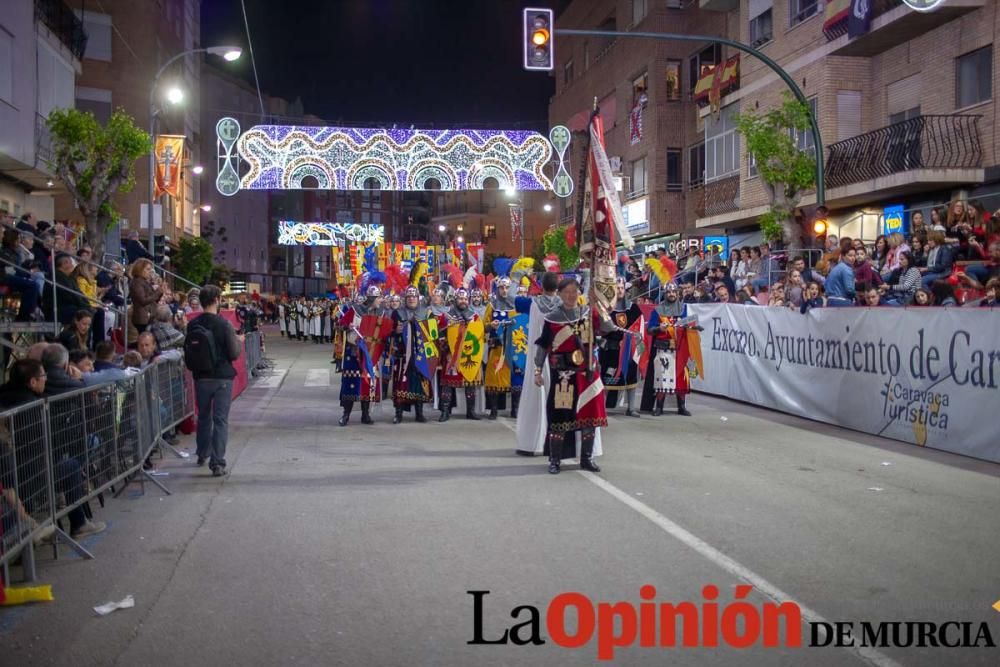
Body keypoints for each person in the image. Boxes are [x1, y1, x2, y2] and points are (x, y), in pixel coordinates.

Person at [532, 278, 607, 474]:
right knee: (559, 418)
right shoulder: (552, 318)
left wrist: (597, 305)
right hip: (564, 376)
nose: (571, 295)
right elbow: (543, 345)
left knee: (589, 417)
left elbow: (608, 328)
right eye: (566, 292)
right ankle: (555, 460)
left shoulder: (588, 314)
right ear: (559, 294)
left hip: (587, 374)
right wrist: (537, 371)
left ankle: (586, 458)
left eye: (574, 292)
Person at [188, 285, 243, 476]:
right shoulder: (224, 324)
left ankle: (202, 452)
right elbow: (233, 353)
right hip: (222, 377)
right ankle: (217, 462)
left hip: (201, 376)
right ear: (217, 300)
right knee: (220, 420)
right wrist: (238, 341)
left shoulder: (193, 324)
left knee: (203, 416)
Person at [338, 285, 389, 426]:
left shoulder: (381, 313)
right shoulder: (354, 310)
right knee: (350, 384)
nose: (381, 300)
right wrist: (346, 326)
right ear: (372, 298)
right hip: (354, 351)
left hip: (370, 353)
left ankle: (365, 414)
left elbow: (383, 333)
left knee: (368, 383)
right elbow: (340, 323)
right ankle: (346, 415)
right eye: (379, 298)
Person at [643, 285, 694, 416]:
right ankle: (659, 407)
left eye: (674, 292)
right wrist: (659, 328)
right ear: (665, 294)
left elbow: (688, 325)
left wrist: (692, 327)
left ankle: (681, 407)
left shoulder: (683, 309)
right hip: (663, 349)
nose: (671, 294)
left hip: (680, 349)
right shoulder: (658, 310)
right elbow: (649, 330)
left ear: (677, 293)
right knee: (662, 377)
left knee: (681, 378)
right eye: (669, 292)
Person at [598, 278, 643, 416]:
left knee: (630, 377)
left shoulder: (633, 308)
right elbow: (599, 328)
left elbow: (639, 327)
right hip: (610, 350)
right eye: (617, 288)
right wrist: (606, 328)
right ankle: (602, 408)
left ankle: (631, 408)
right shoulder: (605, 308)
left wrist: (634, 338)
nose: (620, 290)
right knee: (606, 377)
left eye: (622, 287)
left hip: (628, 350)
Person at [440, 287, 485, 422]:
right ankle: (445, 411)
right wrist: (446, 345)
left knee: (470, 382)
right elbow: (440, 333)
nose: (463, 301)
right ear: (455, 299)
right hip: (451, 355)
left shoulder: (474, 316)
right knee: (447, 384)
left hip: (468, 355)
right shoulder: (447, 315)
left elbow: (479, 334)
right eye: (460, 298)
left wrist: (489, 327)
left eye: (465, 299)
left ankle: (470, 411)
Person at [484, 277, 517, 419]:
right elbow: (483, 325)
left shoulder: (516, 306)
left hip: (511, 349)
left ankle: (515, 409)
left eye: (507, 288)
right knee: (493, 378)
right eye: (501, 288)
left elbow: (521, 325)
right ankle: (494, 410)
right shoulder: (492, 305)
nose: (504, 290)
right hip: (496, 347)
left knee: (514, 379)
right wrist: (491, 325)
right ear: (497, 289)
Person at [129, 258, 162, 336]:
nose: (150, 272)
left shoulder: (144, 282)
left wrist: (160, 292)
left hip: (149, 317)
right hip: (142, 318)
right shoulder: (137, 282)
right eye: (148, 269)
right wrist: (157, 293)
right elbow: (143, 300)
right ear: (140, 269)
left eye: (150, 269)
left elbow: (153, 299)